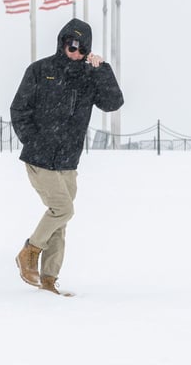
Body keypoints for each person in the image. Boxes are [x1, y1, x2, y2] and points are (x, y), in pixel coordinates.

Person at [10, 18, 124, 295]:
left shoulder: (89, 76)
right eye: (72, 46)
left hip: (69, 162)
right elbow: (19, 109)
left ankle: (48, 280)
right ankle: (29, 251)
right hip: (39, 158)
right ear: (62, 43)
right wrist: (34, 141)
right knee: (63, 210)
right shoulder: (40, 70)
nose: (75, 53)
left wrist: (103, 70)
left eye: (82, 49)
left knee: (59, 221)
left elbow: (113, 103)